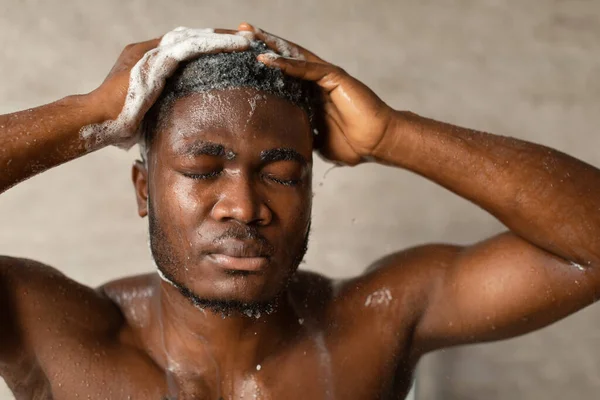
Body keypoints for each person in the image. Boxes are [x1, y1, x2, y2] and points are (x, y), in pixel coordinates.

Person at [0, 23, 599, 400]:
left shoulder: (375, 320)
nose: (243, 205)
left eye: (283, 175)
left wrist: (391, 136)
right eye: (203, 171)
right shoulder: (55, 332)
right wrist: (90, 114)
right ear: (143, 189)